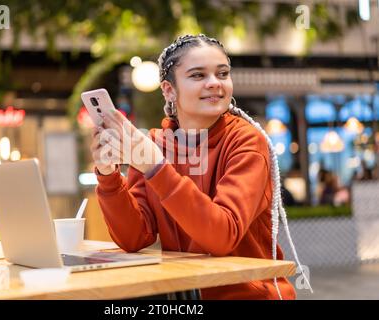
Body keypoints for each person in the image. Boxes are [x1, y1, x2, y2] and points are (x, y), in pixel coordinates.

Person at [89, 34, 310, 299]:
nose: (215, 83)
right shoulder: (154, 145)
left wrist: (156, 168)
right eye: (198, 75)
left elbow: (222, 236)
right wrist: (108, 175)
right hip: (186, 296)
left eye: (223, 73)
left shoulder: (247, 141)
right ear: (169, 90)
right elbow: (135, 237)